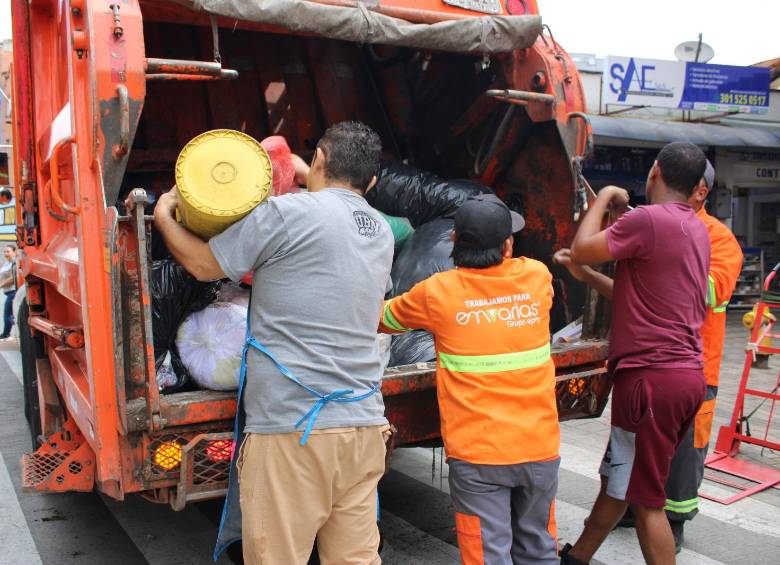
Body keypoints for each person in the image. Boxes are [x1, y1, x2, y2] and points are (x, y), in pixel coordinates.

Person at [154, 121, 394, 564]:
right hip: (364, 425)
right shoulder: (379, 230)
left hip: (294, 431)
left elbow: (205, 266)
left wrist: (163, 218)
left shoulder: (287, 213)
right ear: (373, 181)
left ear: (318, 161)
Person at [380, 194, 561, 565]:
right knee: (539, 550)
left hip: (479, 456)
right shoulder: (537, 277)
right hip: (539, 448)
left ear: (452, 242)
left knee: (488, 556)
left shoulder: (438, 292)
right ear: (508, 245)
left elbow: (384, 319)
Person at [554, 141, 710, 565]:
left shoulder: (648, 219)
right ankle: (577, 557)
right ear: (697, 186)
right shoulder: (693, 226)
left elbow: (584, 244)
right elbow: (634, 294)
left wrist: (604, 195)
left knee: (646, 500)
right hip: (681, 378)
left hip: (650, 381)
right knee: (619, 480)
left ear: (654, 171)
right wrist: (583, 274)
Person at [0, 244, 18, 340]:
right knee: (10, 314)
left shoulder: (14, 263)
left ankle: (6, 334)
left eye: (8, 251)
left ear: (14, 252)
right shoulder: (7, 263)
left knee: (8, 314)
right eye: (4, 251)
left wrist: (1, 285)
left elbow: (13, 278)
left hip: (13, 291)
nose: (6, 253)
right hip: (8, 292)